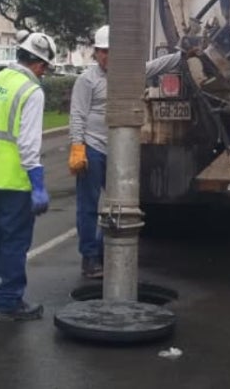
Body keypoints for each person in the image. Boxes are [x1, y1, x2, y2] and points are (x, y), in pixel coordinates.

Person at [68, 25, 197, 279]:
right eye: (103, 52)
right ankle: (90, 257)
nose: (107, 56)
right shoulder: (87, 80)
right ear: (96, 53)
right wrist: (77, 146)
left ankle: (108, 252)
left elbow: (157, 66)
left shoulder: (129, 75)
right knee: (88, 207)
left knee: (119, 206)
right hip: (92, 149)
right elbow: (77, 115)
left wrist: (184, 54)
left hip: (118, 151)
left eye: (111, 51)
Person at [0, 30, 57, 321]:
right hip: (15, 181)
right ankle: (9, 303)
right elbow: (28, 145)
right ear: (39, 65)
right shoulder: (31, 91)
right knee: (15, 241)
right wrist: (38, 185)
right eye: (45, 69)